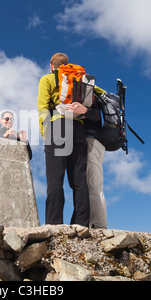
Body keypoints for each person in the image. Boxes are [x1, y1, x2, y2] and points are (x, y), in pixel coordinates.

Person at [37, 53, 90, 227]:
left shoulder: (47, 79)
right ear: (67, 65)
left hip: (57, 126)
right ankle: (81, 224)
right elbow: (98, 95)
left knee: (55, 179)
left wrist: (45, 132)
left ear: (51, 66)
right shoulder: (80, 80)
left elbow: (43, 107)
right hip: (79, 129)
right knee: (79, 180)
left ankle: (54, 224)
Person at [67, 89, 108, 229]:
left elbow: (96, 116)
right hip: (89, 143)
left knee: (93, 184)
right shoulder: (83, 93)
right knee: (83, 185)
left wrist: (84, 109)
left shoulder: (88, 93)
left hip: (91, 142)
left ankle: (99, 226)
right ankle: (79, 222)